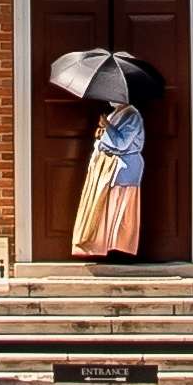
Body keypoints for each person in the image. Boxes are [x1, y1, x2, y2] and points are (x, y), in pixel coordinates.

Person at [67, 64, 148, 261]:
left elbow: (121, 142)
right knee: (105, 208)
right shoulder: (116, 113)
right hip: (108, 168)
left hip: (122, 170)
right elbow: (108, 137)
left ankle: (119, 249)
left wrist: (107, 126)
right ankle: (103, 246)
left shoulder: (131, 115)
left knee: (119, 209)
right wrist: (103, 130)